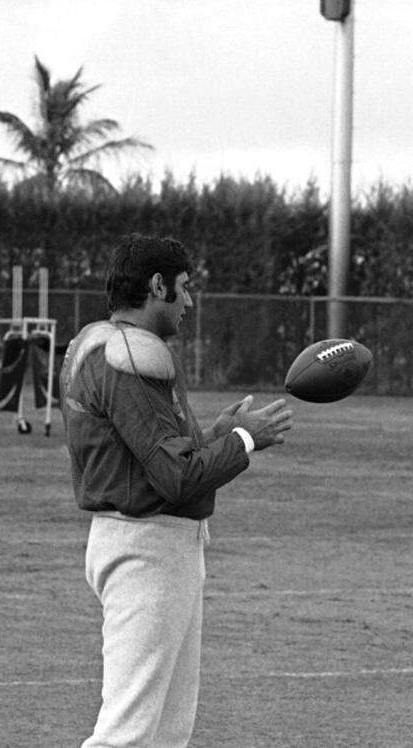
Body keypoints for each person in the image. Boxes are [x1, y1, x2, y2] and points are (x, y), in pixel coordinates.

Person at [59, 233, 293, 747]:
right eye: (184, 288)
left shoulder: (104, 343)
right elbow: (177, 478)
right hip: (146, 546)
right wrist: (246, 438)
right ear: (157, 285)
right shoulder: (129, 355)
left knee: (167, 728)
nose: (189, 302)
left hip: (149, 540)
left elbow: (144, 455)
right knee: (129, 731)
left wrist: (213, 435)